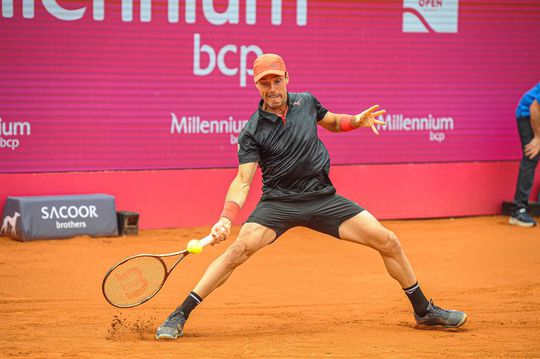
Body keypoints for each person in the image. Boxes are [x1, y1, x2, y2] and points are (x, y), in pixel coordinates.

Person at [155, 53, 467, 340]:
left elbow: (331, 122)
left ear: (287, 78)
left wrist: (355, 121)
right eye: (265, 83)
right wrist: (226, 218)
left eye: (277, 80)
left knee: (388, 241)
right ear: (256, 85)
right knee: (238, 250)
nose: (273, 87)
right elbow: (243, 179)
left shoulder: (306, 102)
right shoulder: (251, 131)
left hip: (322, 198)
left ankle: (423, 311)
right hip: (278, 203)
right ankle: (180, 314)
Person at [510, 82, 540, 227]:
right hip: (528, 114)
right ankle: (518, 210)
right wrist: (538, 137)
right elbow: (534, 108)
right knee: (532, 155)